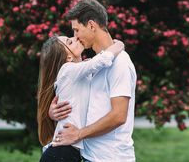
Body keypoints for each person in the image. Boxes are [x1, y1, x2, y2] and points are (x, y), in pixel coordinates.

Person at [50, 0, 137, 162]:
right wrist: (55, 112)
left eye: (76, 30)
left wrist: (78, 134)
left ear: (91, 25)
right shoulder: (95, 65)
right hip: (91, 157)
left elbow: (118, 116)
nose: (75, 37)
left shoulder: (120, 64)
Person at [37, 34, 125, 162]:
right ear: (68, 57)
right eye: (70, 42)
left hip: (69, 153)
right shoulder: (67, 70)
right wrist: (119, 45)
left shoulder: (80, 75)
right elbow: (102, 60)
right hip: (62, 154)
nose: (75, 38)